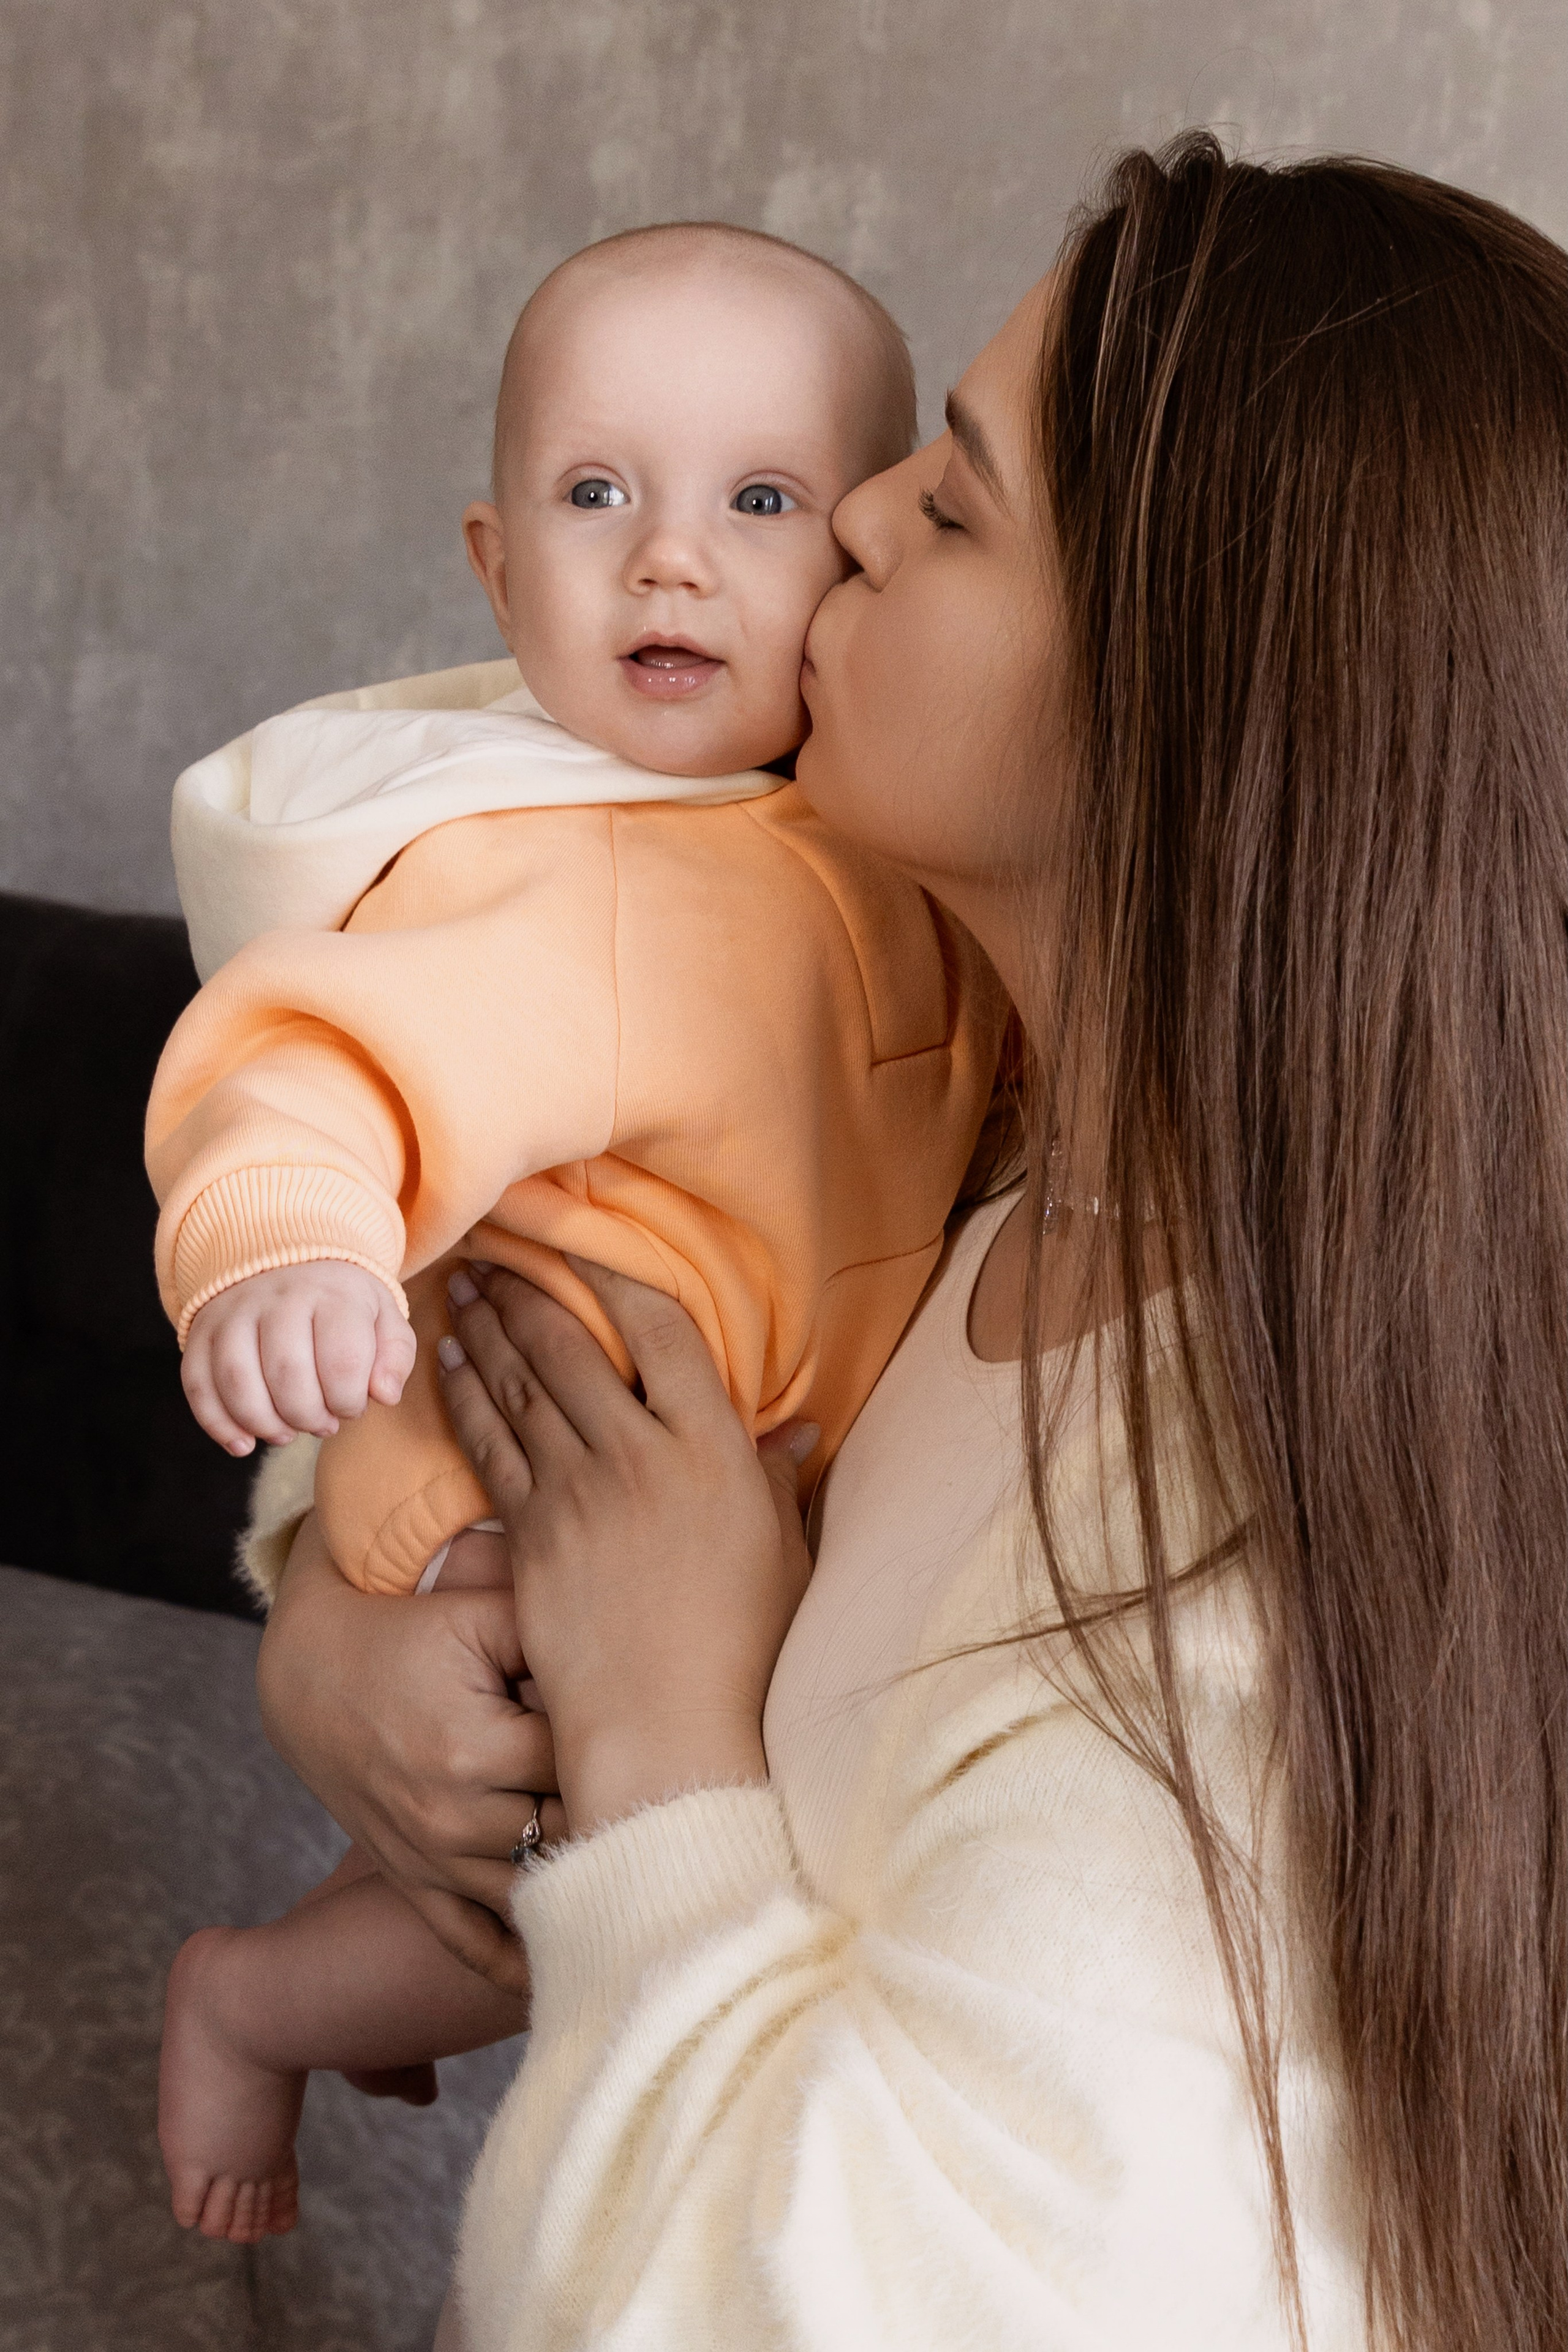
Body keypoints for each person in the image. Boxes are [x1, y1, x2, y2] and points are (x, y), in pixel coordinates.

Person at [260, 138, 1566, 2351]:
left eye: (953, 506)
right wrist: (337, 1632)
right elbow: (461, 1332)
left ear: (1184, 707)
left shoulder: (1227, 1600)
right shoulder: (970, 1138)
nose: (852, 514)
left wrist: (659, 1746)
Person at [148, 223, 1002, 2244]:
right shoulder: (562, 868)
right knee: (548, 1900)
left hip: (702, 1490)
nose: (671, 561)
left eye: (762, 502)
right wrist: (286, 1243)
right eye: (596, 493)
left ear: (860, 555)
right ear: (495, 565)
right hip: (515, 1492)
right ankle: (254, 2002)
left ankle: (347, 1936)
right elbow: (315, 1061)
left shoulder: (844, 842)